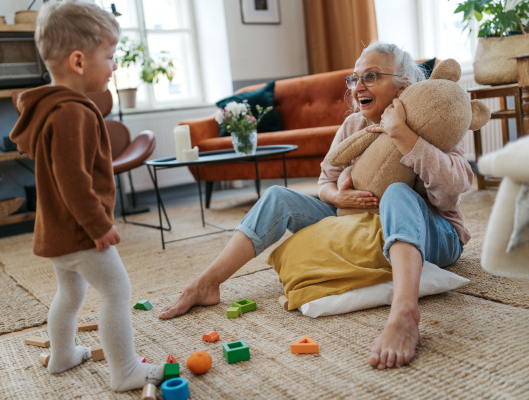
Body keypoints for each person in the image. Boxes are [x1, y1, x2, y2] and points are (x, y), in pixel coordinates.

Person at [159, 42, 473, 370]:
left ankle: (405, 313)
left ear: (404, 84)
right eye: (354, 79)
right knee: (278, 197)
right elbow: (325, 180)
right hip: (360, 221)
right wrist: (336, 197)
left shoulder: (432, 119)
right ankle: (207, 282)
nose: (358, 87)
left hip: (435, 233)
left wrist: (404, 136)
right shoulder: (354, 126)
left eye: (371, 76)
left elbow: (452, 192)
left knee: (396, 191)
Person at [10, 0, 164, 391]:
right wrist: (99, 225)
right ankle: (125, 369)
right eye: (110, 57)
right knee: (117, 291)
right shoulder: (72, 112)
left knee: (70, 292)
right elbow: (73, 180)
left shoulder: (47, 107)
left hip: (58, 231)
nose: (114, 66)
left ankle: (62, 355)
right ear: (78, 62)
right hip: (81, 231)